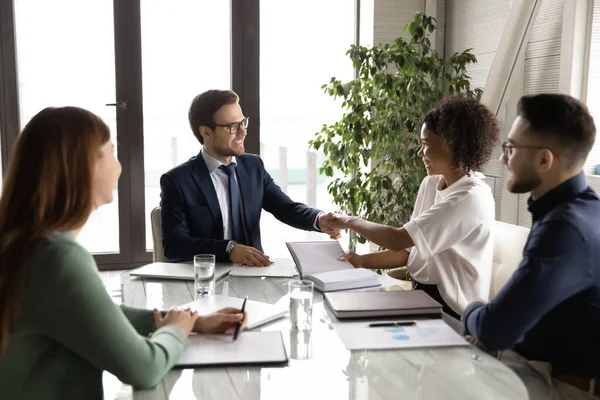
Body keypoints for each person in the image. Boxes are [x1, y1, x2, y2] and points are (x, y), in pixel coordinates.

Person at [0, 107, 248, 399]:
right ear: (83, 165)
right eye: (112, 151)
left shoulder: (28, 244)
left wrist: (190, 321)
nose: (119, 166)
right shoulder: (58, 257)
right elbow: (144, 367)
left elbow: (93, 313)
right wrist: (177, 332)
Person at [462, 94, 600, 394]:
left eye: (510, 148)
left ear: (544, 159)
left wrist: (471, 309)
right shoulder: (585, 209)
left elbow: (493, 329)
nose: (502, 158)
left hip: (569, 389)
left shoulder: (564, 229)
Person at [322, 94, 499, 319]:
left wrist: (348, 221)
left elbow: (397, 238)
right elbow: (408, 252)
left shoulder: (470, 197)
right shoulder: (432, 183)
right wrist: (362, 261)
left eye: (425, 144)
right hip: (422, 296)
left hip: (454, 311)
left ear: (451, 144)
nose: (419, 153)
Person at [159, 89, 340, 266]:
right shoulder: (177, 181)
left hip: (254, 273)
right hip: (206, 279)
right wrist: (228, 249)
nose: (243, 132)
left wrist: (319, 219)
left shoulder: (253, 166)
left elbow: (285, 208)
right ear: (206, 132)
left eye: (243, 122)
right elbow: (174, 244)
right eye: (233, 127)